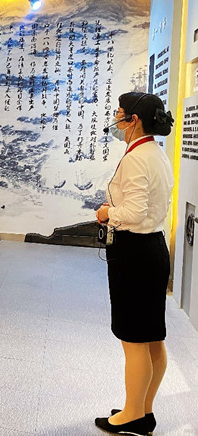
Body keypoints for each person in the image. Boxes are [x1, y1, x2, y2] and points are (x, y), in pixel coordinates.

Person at [93, 92, 174, 436]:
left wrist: (106, 212)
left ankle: (132, 415)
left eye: (119, 113)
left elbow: (135, 212)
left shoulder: (137, 158)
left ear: (134, 120)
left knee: (135, 340)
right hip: (153, 249)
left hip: (135, 254)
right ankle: (143, 409)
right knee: (152, 337)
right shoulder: (156, 154)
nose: (116, 118)